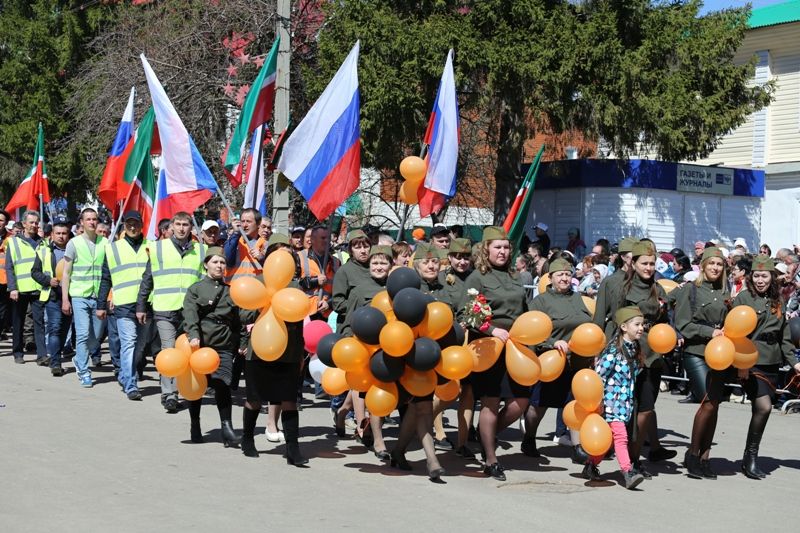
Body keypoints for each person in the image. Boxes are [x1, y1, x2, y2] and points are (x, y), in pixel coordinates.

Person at [687, 255, 800, 480]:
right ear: (750, 278)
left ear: (772, 278)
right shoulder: (743, 298)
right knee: (764, 406)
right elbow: (736, 332)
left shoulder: (778, 300)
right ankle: (750, 457)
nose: (760, 280)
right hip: (750, 361)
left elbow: (784, 337)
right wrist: (742, 363)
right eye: (756, 276)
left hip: (771, 361)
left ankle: (750, 458)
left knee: (762, 409)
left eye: (764, 276)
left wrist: (794, 363)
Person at [593, 240, 675, 477]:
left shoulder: (658, 289)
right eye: (644, 263)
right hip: (626, 354)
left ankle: (635, 456)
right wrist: (598, 352)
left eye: (652, 263)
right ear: (633, 263)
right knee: (622, 411)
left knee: (646, 409)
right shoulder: (619, 286)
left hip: (653, 354)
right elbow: (606, 321)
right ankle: (617, 458)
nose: (649, 268)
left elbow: (663, 322)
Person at [461, 226, 528, 481]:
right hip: (488, 346)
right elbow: (466, 314)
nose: (502, 251)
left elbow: (524, 310)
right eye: (497, 247)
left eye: (506, 247)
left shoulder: (515, 277)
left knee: (520, 401)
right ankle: (491, 459)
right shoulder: (477, 278)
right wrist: (491, 330)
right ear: (486, 249)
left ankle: (486, 433)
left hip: (515, 347)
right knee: (490, 400)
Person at [241, 238, 307, 465]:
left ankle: (293, 449)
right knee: (254, 399)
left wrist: (300, 353)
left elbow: (299, 323)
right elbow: (243, 315)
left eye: (289, 255)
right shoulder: (257, 282)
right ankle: (247, 438)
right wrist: (263, 304)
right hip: (259, 350)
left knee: (289, 399)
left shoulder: (296, 287)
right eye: (279, 254)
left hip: (288, 351)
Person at [522, 258, 593, 459]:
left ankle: (578, 447)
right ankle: (529, 437)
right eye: (559, 274)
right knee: (540, 404)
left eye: (568, 274)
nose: (564, 278)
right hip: (551, 361)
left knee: (576, 404)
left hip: (578, 362)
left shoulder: (577, 298)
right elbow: (532, 330)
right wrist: (553, 342)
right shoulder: (541, 302)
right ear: (550, 277)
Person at [137, 212, 206, 413]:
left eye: (186, 224)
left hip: (190, 311)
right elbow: (147, 278)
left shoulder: (201, 250)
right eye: (178, 224)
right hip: (165, 307)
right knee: (169, 350)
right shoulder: (158, 248)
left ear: (191, 228)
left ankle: (188, 389)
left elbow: (204, 281)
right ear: (172, 226)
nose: (182, 228)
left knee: (188, 350)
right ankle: (169, 394)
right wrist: (141, 305)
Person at [390, 243, 446, 480]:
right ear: (416, 264)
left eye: (435, 262)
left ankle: (398, 452)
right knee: (421, 408)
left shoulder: (446, 288)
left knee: (416, 410)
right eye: (426, 261)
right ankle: (432, 460)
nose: (432, 265)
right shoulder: (407, 287)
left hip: (435, 357)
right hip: (409, 356)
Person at [183, 247, 247, 447]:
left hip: (223, 345)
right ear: (206, 265)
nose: (219, 266)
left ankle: (227, 429)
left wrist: (243, 342)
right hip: (200, 345)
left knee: (223, 385)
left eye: (222, 263)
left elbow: (239, 320)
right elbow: (190, 314)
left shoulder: (231, 290)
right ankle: (195, 424)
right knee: (197, 387)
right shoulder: (196, 289)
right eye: (215, 262)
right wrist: (193, 335)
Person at [340, 245, 393, 460]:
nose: (379, 267)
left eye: (383, 263)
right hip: (365, 350)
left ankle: (349, 416)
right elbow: (348, 320)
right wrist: (347, 342)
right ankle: (378, 441)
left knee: (386, 395)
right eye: (375, 263)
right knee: (370, 393)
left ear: (391, 265)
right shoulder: (360, 289)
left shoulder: (396, 289)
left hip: (390, 349)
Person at [586, 306, 647, 489]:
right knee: (621, 437)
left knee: (607, 442)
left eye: (642, 324)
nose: (641, 328)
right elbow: (598, 377)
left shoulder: (634, 348)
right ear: (623, 327)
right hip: (611, 403)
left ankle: (590, 465)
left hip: (625, 404)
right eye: (637, 324)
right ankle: (628, 473)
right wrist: (599, 402)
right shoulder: (613, 351)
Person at [96, 212, 150, 400]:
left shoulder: (151, 246)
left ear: (142, 225)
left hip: (147, 304)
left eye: (136, 224)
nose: (132, 227)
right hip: (124, 304)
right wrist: (101, 304)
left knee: (141, 347)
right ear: (124, 226)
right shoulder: (113, 249)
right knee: (129, 343)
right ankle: (130, 384)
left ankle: (126, 374)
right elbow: (105, 278)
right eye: (129, 224)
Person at [433, 238, 475, 456]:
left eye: (466, 257)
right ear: (449, 257)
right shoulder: (441, 279)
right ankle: (437, 429)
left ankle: (462, 441)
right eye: (457, 257)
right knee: (448, 387)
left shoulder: (477, 277)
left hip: (473, 340)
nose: (462, 261)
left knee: (468, 390)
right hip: (449, 338)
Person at [60, 208, 107, 387]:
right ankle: (84, 369)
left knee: (95, 337)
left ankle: (79, 358)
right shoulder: (74, 243)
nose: (92, 222)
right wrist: (65, 299)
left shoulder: (105, 243)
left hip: (99, 297)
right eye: (88, 219)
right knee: (82, 333)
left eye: (94, 219)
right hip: (79, 294)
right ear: (82, 222)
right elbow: (66, 272)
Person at [5, 210, 47, 365]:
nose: (34, 225)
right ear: (24, 224)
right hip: (20, 289)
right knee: (18, 322)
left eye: (36, 223)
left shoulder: (43, 242)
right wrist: (12, 287)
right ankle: (17, 352)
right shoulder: (14, 242)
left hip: (39, 288)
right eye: (31, 222)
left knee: (39, 322)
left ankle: (42, 354)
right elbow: (9, 267)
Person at [31, 218, 71, 376]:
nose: (61, 236)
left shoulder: (74, 249)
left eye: (64, 233)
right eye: (58, 233)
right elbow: (34, 272)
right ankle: (56, 363)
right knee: (54, 329)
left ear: (68, 235)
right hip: (53, 297)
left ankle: (57, 353)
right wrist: (48, 280)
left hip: (71, 296)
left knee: (64, 331)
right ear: (52, 235)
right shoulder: (44, 251)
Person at [331, 229, 372, 334]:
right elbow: (337, 303)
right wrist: (362, 305)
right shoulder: (344, 271)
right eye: (357, 247)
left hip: (374, 324)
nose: (363, 251)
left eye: (366, 247)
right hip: (351, 326)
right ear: (350, 250)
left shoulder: (376, 269)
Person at [298, 225, 340, 320]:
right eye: (323, 238)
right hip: (305, 312)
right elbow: (294, 283)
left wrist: (329, 303)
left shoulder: (336, 262)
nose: (327, 241)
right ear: (312, 240)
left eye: (328, 238)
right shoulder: (299, 257)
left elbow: (340, 290)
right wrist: (315, 281)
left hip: (327, 313)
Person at [224, 208, 266, 283]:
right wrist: (236, 233)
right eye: (242, 221)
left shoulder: (266, 244)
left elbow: (272, 269)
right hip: (233, 289)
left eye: (248, 221)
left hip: (256, 290)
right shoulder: (235, 241)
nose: (244, 225)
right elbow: (226, 258)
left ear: (258, 224)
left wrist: (262, 258)